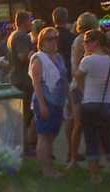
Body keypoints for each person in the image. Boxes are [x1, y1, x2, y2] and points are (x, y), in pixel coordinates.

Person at [74, 30, 110, 184]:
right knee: (108, 140)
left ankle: (95, 176)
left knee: (91, 140)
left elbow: (78, 77)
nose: (84, 44)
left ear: (95, 42)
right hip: (107, 103)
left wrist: (84, 90)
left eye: (87, 41)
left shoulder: (87, 61)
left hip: (89, 102)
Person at [29, 28, 68, 178]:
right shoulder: (38, 59)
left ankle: (49, 166)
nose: (53, 41)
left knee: (52, 135)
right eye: (49, 39)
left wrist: (68, 100)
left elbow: (64, 80)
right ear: (42, 42)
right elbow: (36, 83)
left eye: (55, 38)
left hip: (58, 101)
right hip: (44, 101)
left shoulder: (59, 57)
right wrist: (42, 104)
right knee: (44, 136)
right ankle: (46, 170)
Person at [66, 12, 98, 168]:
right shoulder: (81, 41)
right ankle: (74, 158)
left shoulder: (82, 40)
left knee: (82, 124)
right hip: (81, 86)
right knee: (79, 124)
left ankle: (80, 157)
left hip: (83, 85)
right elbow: (77, 68)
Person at [7, 11, 35, 154]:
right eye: (30, 20)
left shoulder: (13, 35)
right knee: (25, 114)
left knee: (22, 114)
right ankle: (25, 146)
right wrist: (35, 54)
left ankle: (23, 144)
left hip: (16, 78)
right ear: (24, 22)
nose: (31, 22)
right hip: (23, 79)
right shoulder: (21, 36)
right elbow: (22, 56)